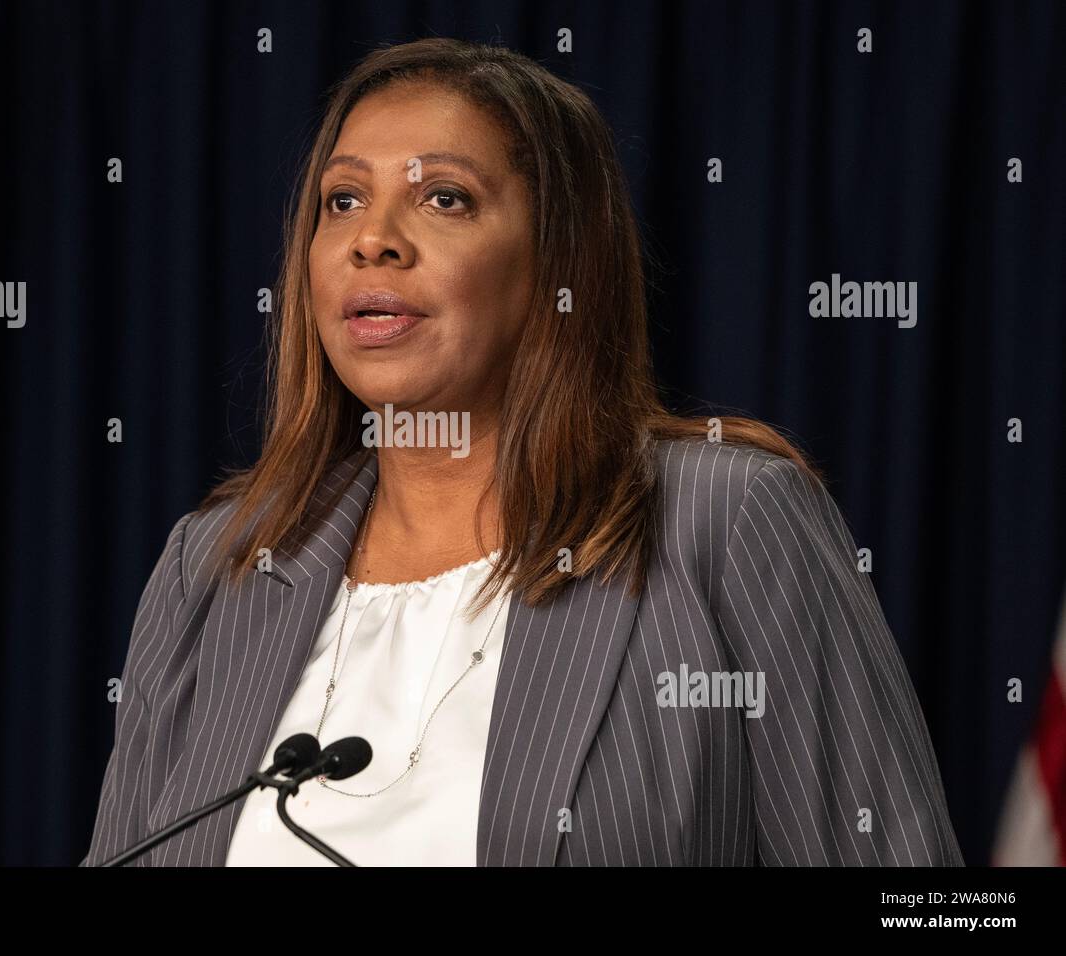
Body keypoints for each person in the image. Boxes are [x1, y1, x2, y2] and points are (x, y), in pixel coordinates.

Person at [82, 37, 963, 866]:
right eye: (342, 200)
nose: (370, 238)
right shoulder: (219, 563)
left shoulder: (720, 522)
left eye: (443, 198)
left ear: (556, 262)